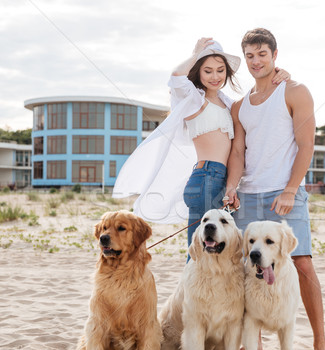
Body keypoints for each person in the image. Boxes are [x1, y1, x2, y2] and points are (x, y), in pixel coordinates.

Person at [223, 28, 325, 350]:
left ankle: (321, 346)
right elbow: (239, 153)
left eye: (262, 54)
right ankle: (253, 346)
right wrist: (232, 187)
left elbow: (307, 145)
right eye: (250, 56)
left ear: (274, 55)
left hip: (284, 192)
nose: (256, 61)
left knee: (302, 263)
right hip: (248, 195)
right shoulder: (240, 106)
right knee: (247, 268)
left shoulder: (295, 91)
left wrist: (290, 189)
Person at [112, 38, 289, 248]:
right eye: (208, 71)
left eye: (220, 70)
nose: (215, 76)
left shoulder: (227, 102)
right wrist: (196, 53)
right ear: (199, 71)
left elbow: (257, 105)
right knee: (200, 251)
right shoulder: (195, 99)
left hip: (221, 180)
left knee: (217, 250)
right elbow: (177, 76)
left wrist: (280, 75)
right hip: (206, 178)